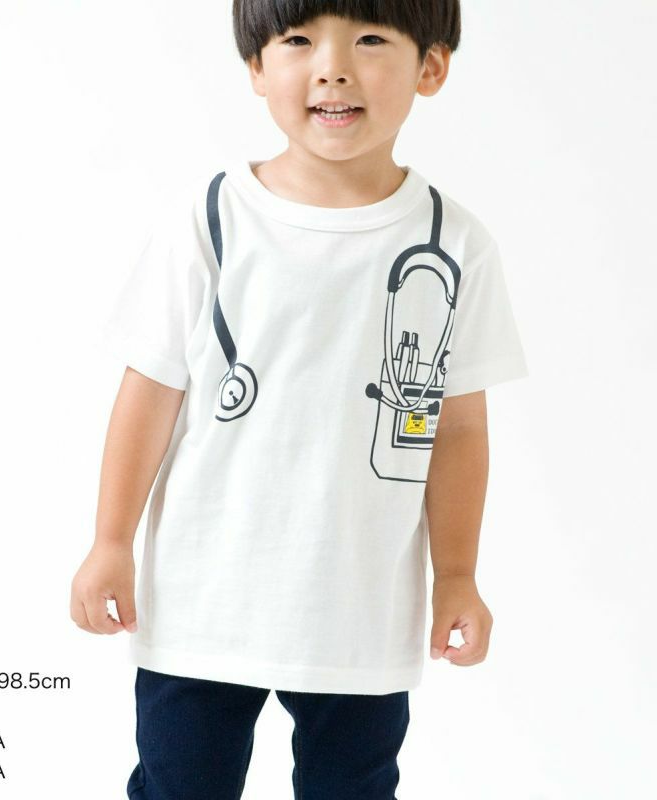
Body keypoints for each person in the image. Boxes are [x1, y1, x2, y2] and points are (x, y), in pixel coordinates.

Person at [70, 1, 529, 797]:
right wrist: (111, 540)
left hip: (358, 609)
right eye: (298, 40)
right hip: (203, 604)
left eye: (370, 39)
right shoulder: (210, 221)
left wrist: (457, 573)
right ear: (256, 66)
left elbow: (458, 429)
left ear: (431, 66)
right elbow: (150, 392)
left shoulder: (453, 246)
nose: (333, 68)